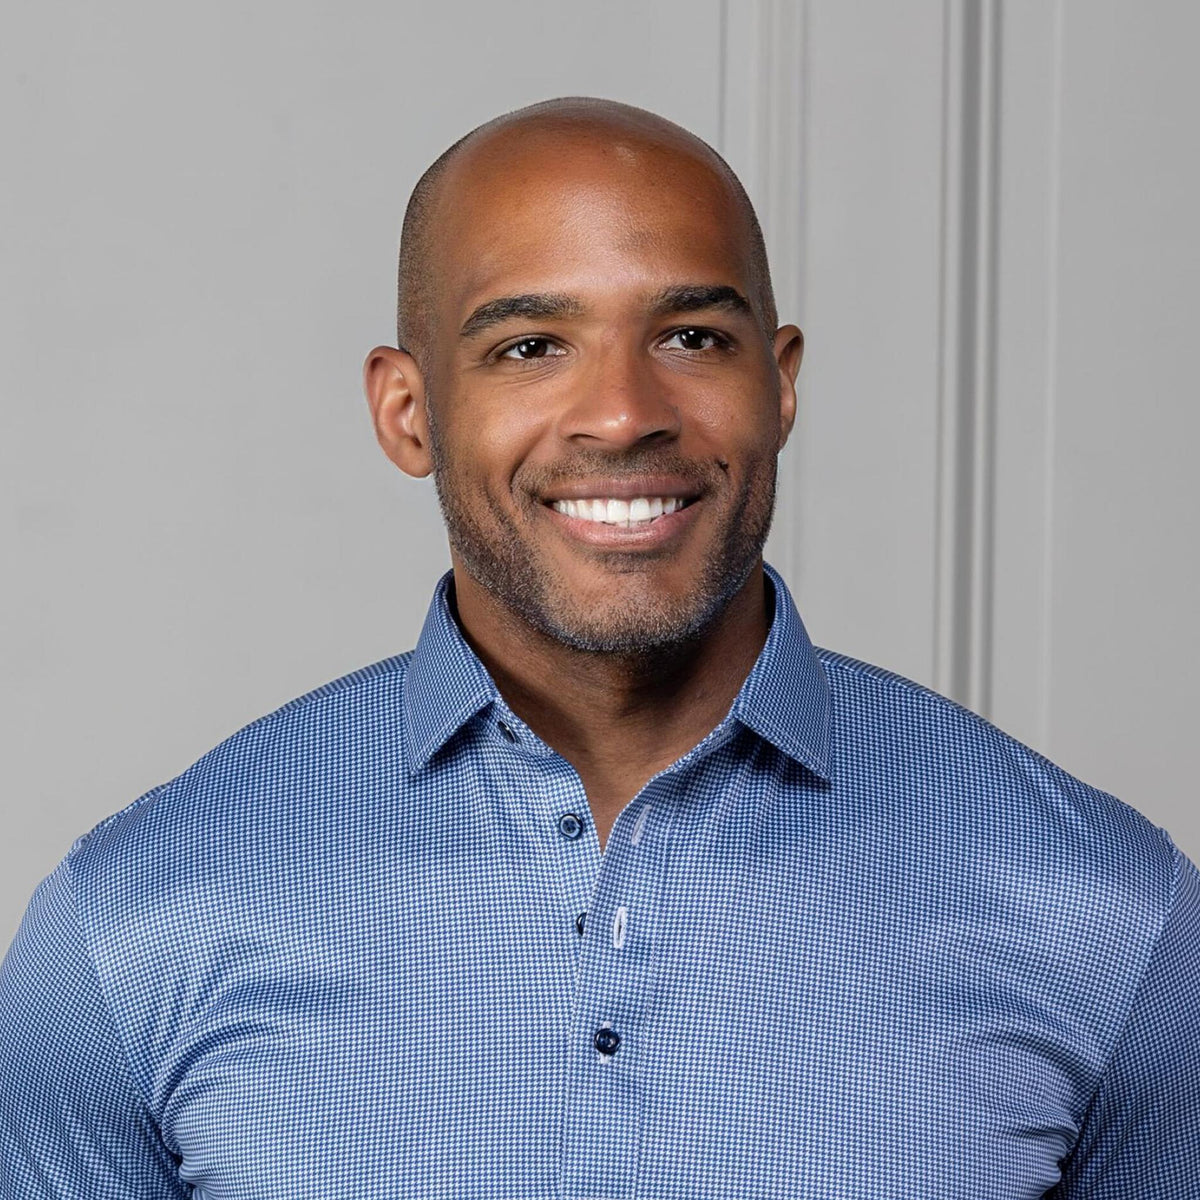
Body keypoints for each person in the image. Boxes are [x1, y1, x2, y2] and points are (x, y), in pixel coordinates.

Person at [1, 96, 1196, 1199]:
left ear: (780, 386)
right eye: (529, 345)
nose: (624, 413)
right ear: (407, 411)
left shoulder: (1110, 918)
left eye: (690, 336)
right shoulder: (133, 929)